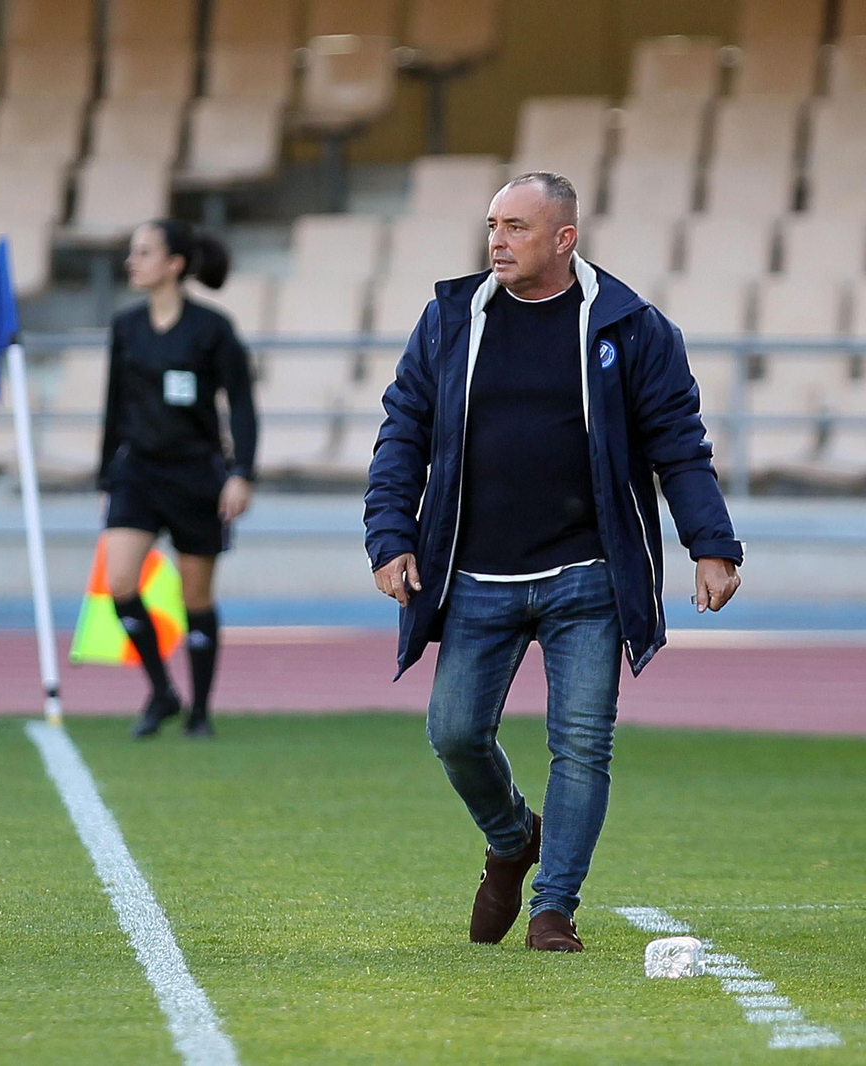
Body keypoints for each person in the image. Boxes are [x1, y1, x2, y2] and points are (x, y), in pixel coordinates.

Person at [364, 172, 742, 952]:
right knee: (455, 732)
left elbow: (679, 441)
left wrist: (711, 543)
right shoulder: (448, 320)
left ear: (564, 239)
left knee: (583, 743)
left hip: (589, 577)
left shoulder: (631, 327)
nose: (496, 241)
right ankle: (511, 838)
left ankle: (553, 908)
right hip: (472, 575)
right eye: (492, 224)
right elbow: (403, 426)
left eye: (516, 227)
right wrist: (390, 534)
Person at [97, 219, 259, 740]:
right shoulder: (125, 326)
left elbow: (242, 406)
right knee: (119, 580)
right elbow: (114, 405)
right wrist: (106, 472)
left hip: (195, 475)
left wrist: (241, 473)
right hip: (137, 472)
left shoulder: (212, 328)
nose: (132, 261)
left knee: (196, 599)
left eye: (143, 252)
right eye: (132, 251)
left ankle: (200, 711)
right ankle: (162, 691)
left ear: (175, 265)